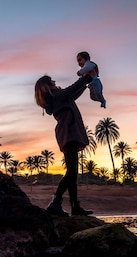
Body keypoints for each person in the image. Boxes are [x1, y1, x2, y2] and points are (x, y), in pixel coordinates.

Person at [34, 74, 93, 216]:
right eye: (51, 81)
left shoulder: (57, 97)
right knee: (72, 172)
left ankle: (74, 206)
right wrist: (87, 78)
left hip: (68, 132)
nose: (54, 81)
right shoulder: (56, 96)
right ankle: (55, 202)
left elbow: (72, 94)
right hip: (69, 132)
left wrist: (86, 84)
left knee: (72, 173)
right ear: (47, 86)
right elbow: (71, 90)